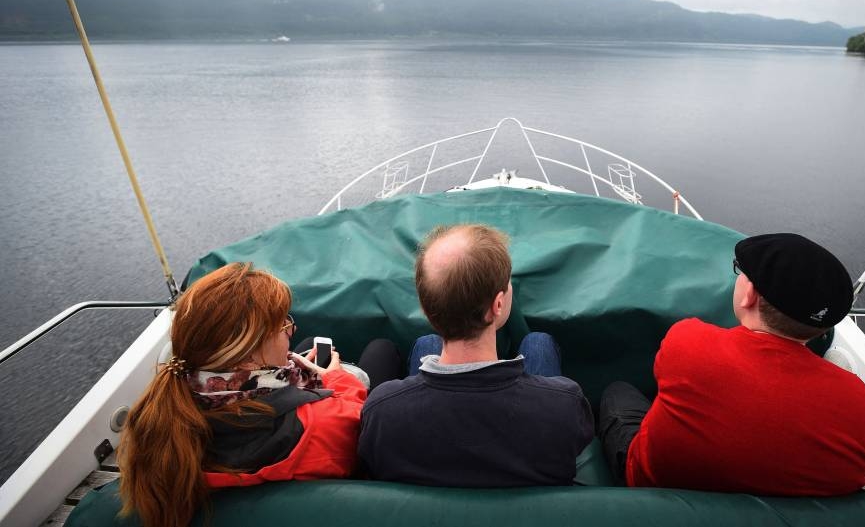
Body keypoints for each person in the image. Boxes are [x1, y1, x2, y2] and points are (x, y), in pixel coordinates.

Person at [118, 262, 400, 527]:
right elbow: (362, 424)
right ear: (246, 361)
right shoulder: (316, 425)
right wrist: (335, 378)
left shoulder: (165, 411)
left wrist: (297, 365)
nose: (292, 329)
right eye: (282, 326)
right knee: (381, 350)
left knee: (306, 345)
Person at [599, 233, 865, 496]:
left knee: (617, 392)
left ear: (749, 295)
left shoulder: (689, 341)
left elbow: (667, 376)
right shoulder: (861, 402)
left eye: (739, 271)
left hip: (652, 486)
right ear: (822, 328)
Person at [358, 224, 594, 487]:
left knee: (428, 344)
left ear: (425, 308)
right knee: (538, 343)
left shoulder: (382, 411)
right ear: (498, 304)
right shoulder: (564, 405)